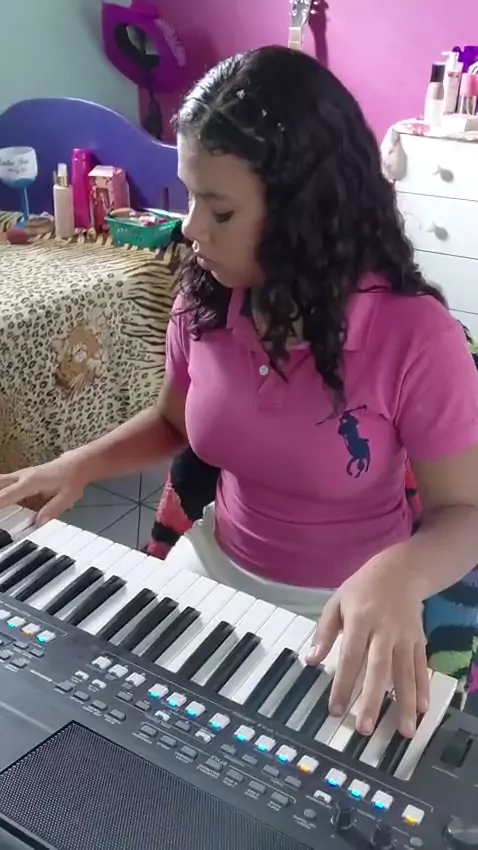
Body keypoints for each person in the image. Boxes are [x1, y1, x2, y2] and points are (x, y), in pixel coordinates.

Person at [2, 45, 478, 740]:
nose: (190, 228)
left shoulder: (414, 338)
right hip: (210, 570)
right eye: (191, 196)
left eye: (219, 210)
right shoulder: (204, 302)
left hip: (349, 608)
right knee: (113, 735)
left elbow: (464, 512)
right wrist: (76, 464)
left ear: (303, 211)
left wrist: (401, 574)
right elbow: (175, 424)